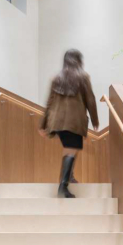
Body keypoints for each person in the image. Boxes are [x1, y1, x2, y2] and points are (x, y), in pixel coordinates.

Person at [39, 49, 99, 198]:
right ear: (79, 61)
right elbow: (90, 99)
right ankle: (63, 186)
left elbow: (49, 101)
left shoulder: (56, 78)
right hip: (74, 121)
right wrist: (95, 119)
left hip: (57, 121)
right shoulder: (83, 77)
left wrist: (43, 124)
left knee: (70, 148)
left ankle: (69, 177)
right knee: (70, 150)